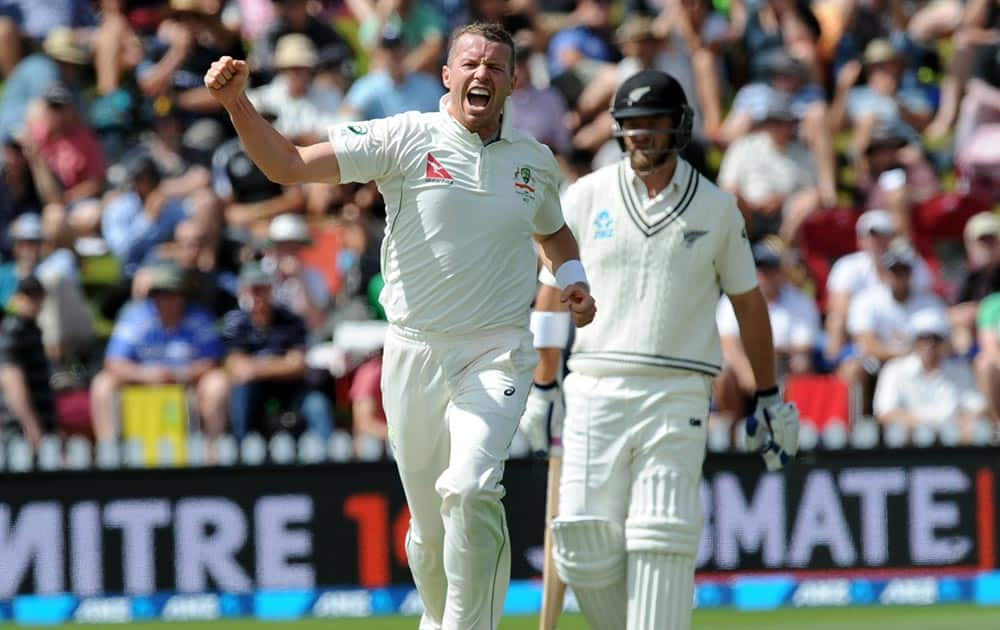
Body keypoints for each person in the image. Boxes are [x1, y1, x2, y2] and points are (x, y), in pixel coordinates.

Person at [203, 22, 596, 630]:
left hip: (496, 350)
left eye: (495, 67)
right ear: (446, 75)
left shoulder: (534, 162)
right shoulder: (406, 137)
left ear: (514, 81)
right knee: (430, 529)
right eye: (469, 64)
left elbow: (553, 230)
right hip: (414, 351)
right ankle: (439, 620)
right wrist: (236, 103)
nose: (481, 75)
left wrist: (572, 275)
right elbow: (287, 164)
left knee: (470, 489)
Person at [518, 70, 799, 630]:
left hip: (678, 392)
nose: (641, 136)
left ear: (679, 127)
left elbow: (749, 307)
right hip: (593, 385)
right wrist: (544, 384)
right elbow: (550, 294)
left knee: (661, 542)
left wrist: (769, 396)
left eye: (652, 124)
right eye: (630, 126)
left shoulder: (718, 208)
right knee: (578, 539)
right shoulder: (586, 194)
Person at [216, 262, 334, 439]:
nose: (257, 296)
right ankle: (241, 452)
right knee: (242, 393)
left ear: (271, 290)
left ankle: (328, 460)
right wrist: (280, 364)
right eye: (252, 289)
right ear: (243, 292)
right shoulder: (235, 323)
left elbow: (298, 365)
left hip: (291, 389)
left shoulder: (290, 320)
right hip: (254, 391)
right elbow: (237, 367)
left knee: (317, 404)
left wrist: (256, 367)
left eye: (262, 289)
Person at [0, 276, 52, 449]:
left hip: (40, 425)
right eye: (28, 296)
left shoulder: (32, 330)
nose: (33, 301)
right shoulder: (14, 330)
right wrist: (31, 426)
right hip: (19, 432)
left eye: (37, 295)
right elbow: (11, 380)